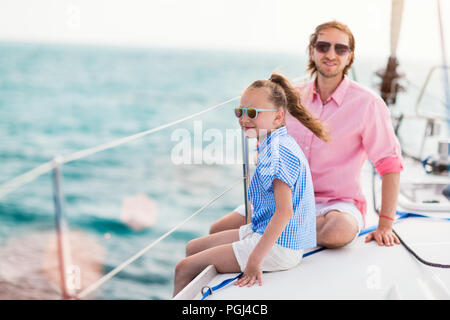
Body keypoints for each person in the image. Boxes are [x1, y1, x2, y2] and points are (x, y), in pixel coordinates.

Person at [210, 20, 403, 249]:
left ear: (349, 57)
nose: (331, 54)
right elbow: (266, 142)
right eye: (323, 46)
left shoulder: (368, 103)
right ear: (312, 52)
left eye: (340, 48)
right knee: (217, 230)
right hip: (282, 199)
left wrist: (385, 225)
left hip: (335, 206)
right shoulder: (289, 97)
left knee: (337, 232)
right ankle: (283, 227)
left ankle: (277, 230)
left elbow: (389, 164)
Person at [172, 73, 329, 297]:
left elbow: (285, 212)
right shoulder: (274, 141)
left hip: (280, 247)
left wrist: (255, 259)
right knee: (192, 248)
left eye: (253, 113)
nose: (244, 119)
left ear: (278, 117)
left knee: (183, 268)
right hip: (264, 232)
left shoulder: (278, 153)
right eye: (240, 111)